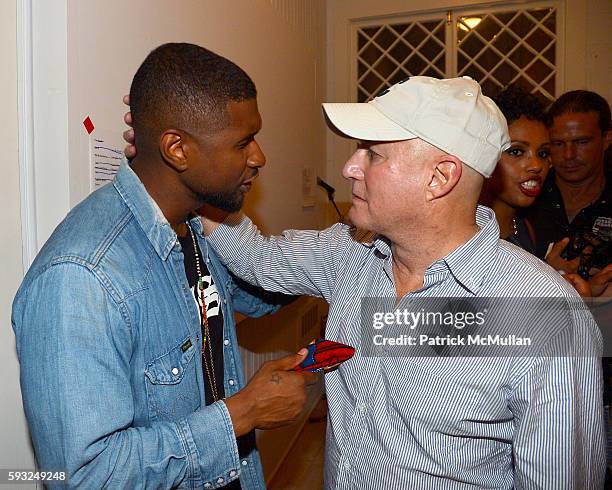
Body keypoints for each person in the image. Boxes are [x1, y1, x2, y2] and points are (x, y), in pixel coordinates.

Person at [199, 77, 604, 487]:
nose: (349, 167)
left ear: (440, 177)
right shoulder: (351, 252)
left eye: (373, 154)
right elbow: (257, 258)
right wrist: (195, 172)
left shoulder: (545, 318)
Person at [12, 43, 316, 489]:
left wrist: (351, 248)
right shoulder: (82, 278)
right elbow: (86, 477)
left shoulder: (196, 226)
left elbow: (265, 291)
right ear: (177, 149)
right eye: (242, 142)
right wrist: (243, 414)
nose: (259, 157)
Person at [528, 90, 612, 296]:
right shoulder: (524, 197)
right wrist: (548, 274)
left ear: (607, 139)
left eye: (581, 142)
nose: (568, 155)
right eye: (558, 144)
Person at [479, 85, 550, 254]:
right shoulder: (465, 237)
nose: (536, 165)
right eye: (516, 151)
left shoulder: (523, 227)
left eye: (542, 153)